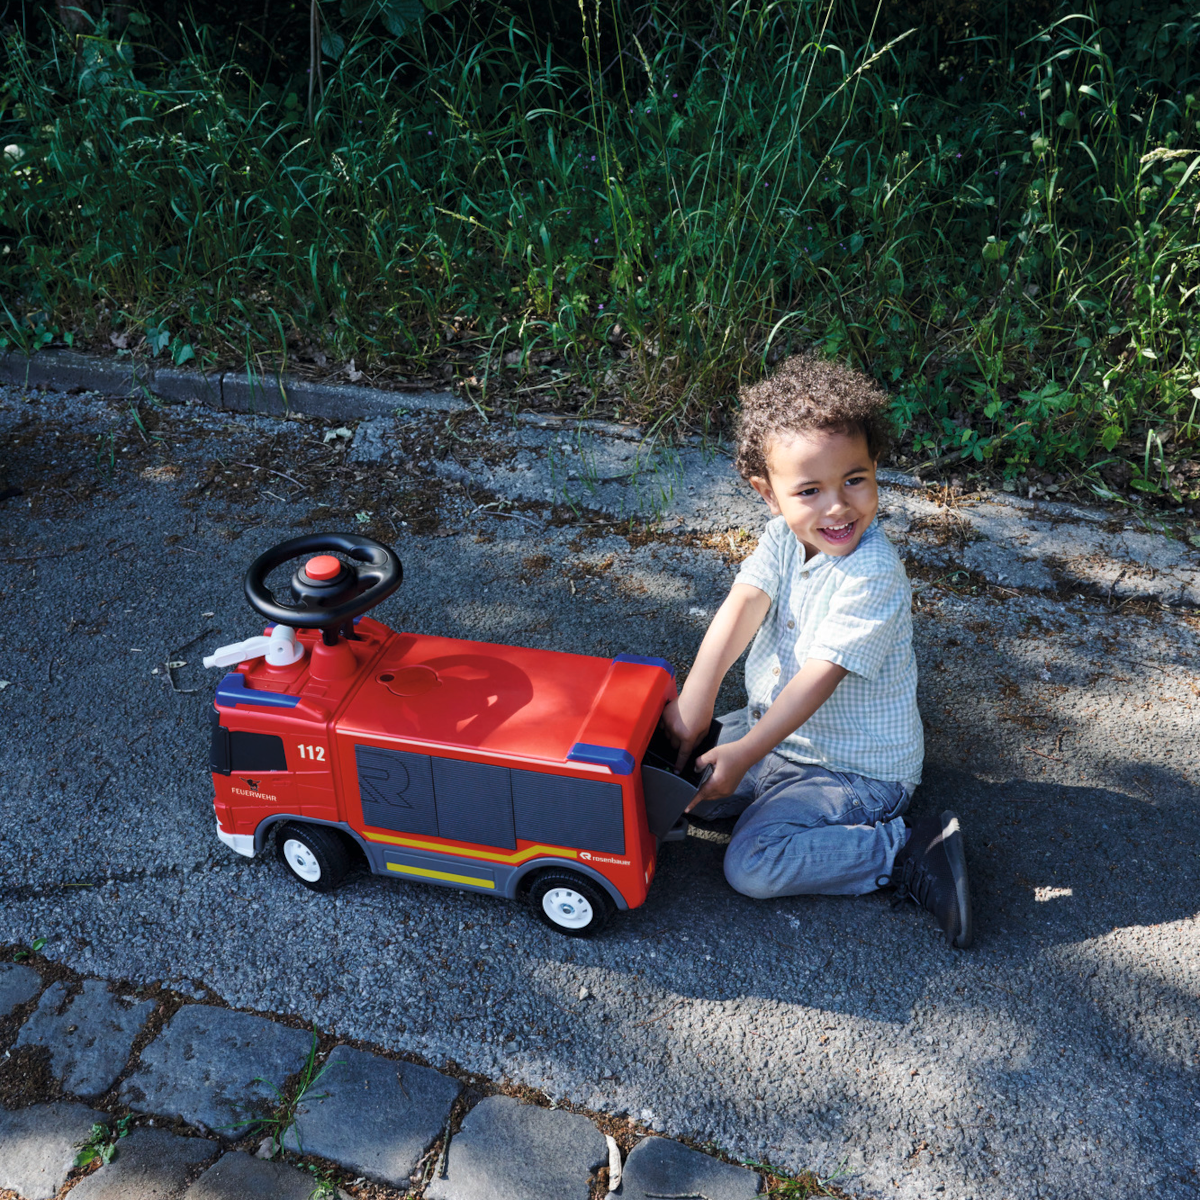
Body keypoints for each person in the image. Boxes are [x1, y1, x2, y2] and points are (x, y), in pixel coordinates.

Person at [662, 353, 972, 948]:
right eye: (809, 490)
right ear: (769, 494)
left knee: (753, 864)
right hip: (776, 740)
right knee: (676, 786)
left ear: (875, 467)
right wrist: (697, 704)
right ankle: (738, 779)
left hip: (853, 770)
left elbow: (818, 677)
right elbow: (741, 608)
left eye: (854, 479)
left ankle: (909, 849)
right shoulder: (782, 537)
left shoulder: (872, 572)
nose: (837, 506)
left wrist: (747, 748)